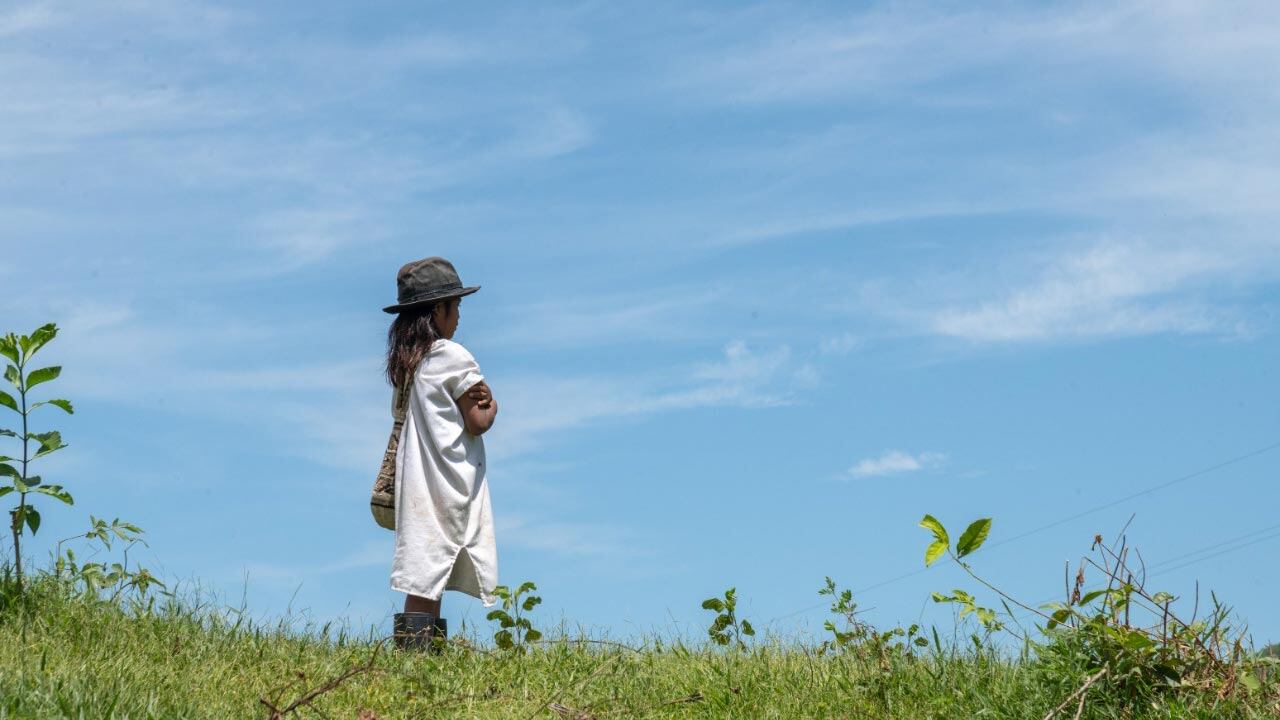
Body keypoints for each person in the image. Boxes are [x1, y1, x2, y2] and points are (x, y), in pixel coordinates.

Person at [382, 256, 499, 650]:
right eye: (456, 306)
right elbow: (477, 420)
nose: (459, 316)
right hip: (447, 480)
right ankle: (419, 658)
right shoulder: (451, 355)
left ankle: (418, 658)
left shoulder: (408, 365)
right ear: (438, 311)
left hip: (416, 478)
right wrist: (493, 404)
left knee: (424, 571)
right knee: (430, 572)